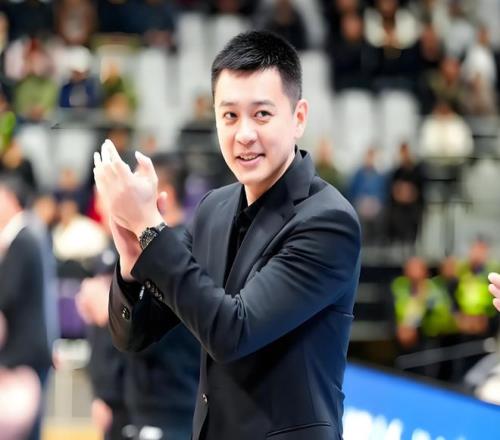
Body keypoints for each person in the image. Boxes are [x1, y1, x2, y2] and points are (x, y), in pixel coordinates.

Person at [94, 31, 361, 440]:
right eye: (230, 116)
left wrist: (151, 229)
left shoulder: (328, 222)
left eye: (262, 114)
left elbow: (233, 333)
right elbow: (135, 334)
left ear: (299, 118)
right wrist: (132, 265)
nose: (244, 134)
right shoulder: (213, 208)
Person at [78, 156, 199, 440]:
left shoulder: (181, 249)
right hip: (136, 404)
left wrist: (108, 309)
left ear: (162, 193)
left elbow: (168, 330)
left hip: (171, 404)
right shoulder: (137, 248)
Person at [0, 173, 53, 440]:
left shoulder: (23, 239)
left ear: (11, 199)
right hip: (29, 351)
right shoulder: (28, 235)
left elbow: (6, 295)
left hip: (25, 354)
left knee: (27, 432)